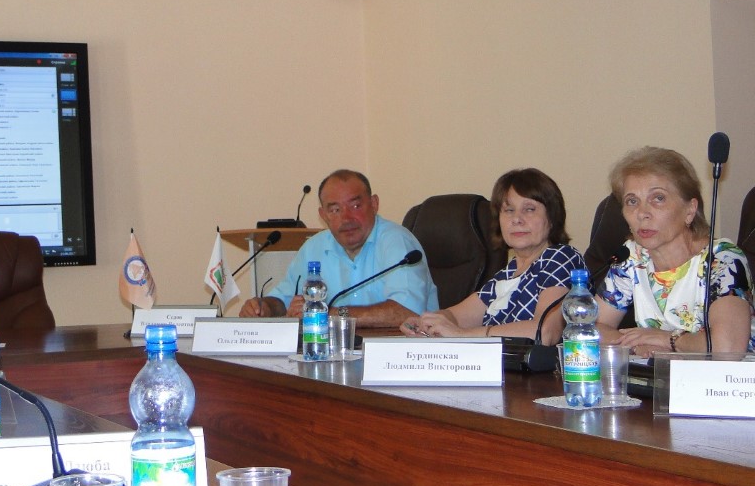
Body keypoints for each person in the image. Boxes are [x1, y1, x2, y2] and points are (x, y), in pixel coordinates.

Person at [596, 146, 753, 356]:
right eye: (632, 201)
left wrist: (667, 339)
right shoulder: (632, 256)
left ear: (690, 210)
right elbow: (591, 327)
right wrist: (636, 343)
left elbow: (727, 348)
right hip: (660, 374)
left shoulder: (722, 259)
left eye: (658, 198)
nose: (642, 213)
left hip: (728, 377)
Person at [400, 168, 585, 344]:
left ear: (552, 218)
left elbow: (545, 333)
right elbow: (455, 316)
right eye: (509, 210)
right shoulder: (508, 273)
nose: (516, 219)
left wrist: (462, 335)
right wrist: (426, 322)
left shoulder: (560, 258)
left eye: (529, 209)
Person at [238, 169, 437, 327]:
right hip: (336, 352)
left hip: (397, 354)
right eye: (335, 210)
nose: (346, 218)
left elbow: (406, 312)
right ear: (323, 215)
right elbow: (284, 298)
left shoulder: (397, 242)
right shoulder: (313, 247)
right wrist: (264, 307)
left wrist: (327, 314)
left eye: (355, 206)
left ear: (374, 204)